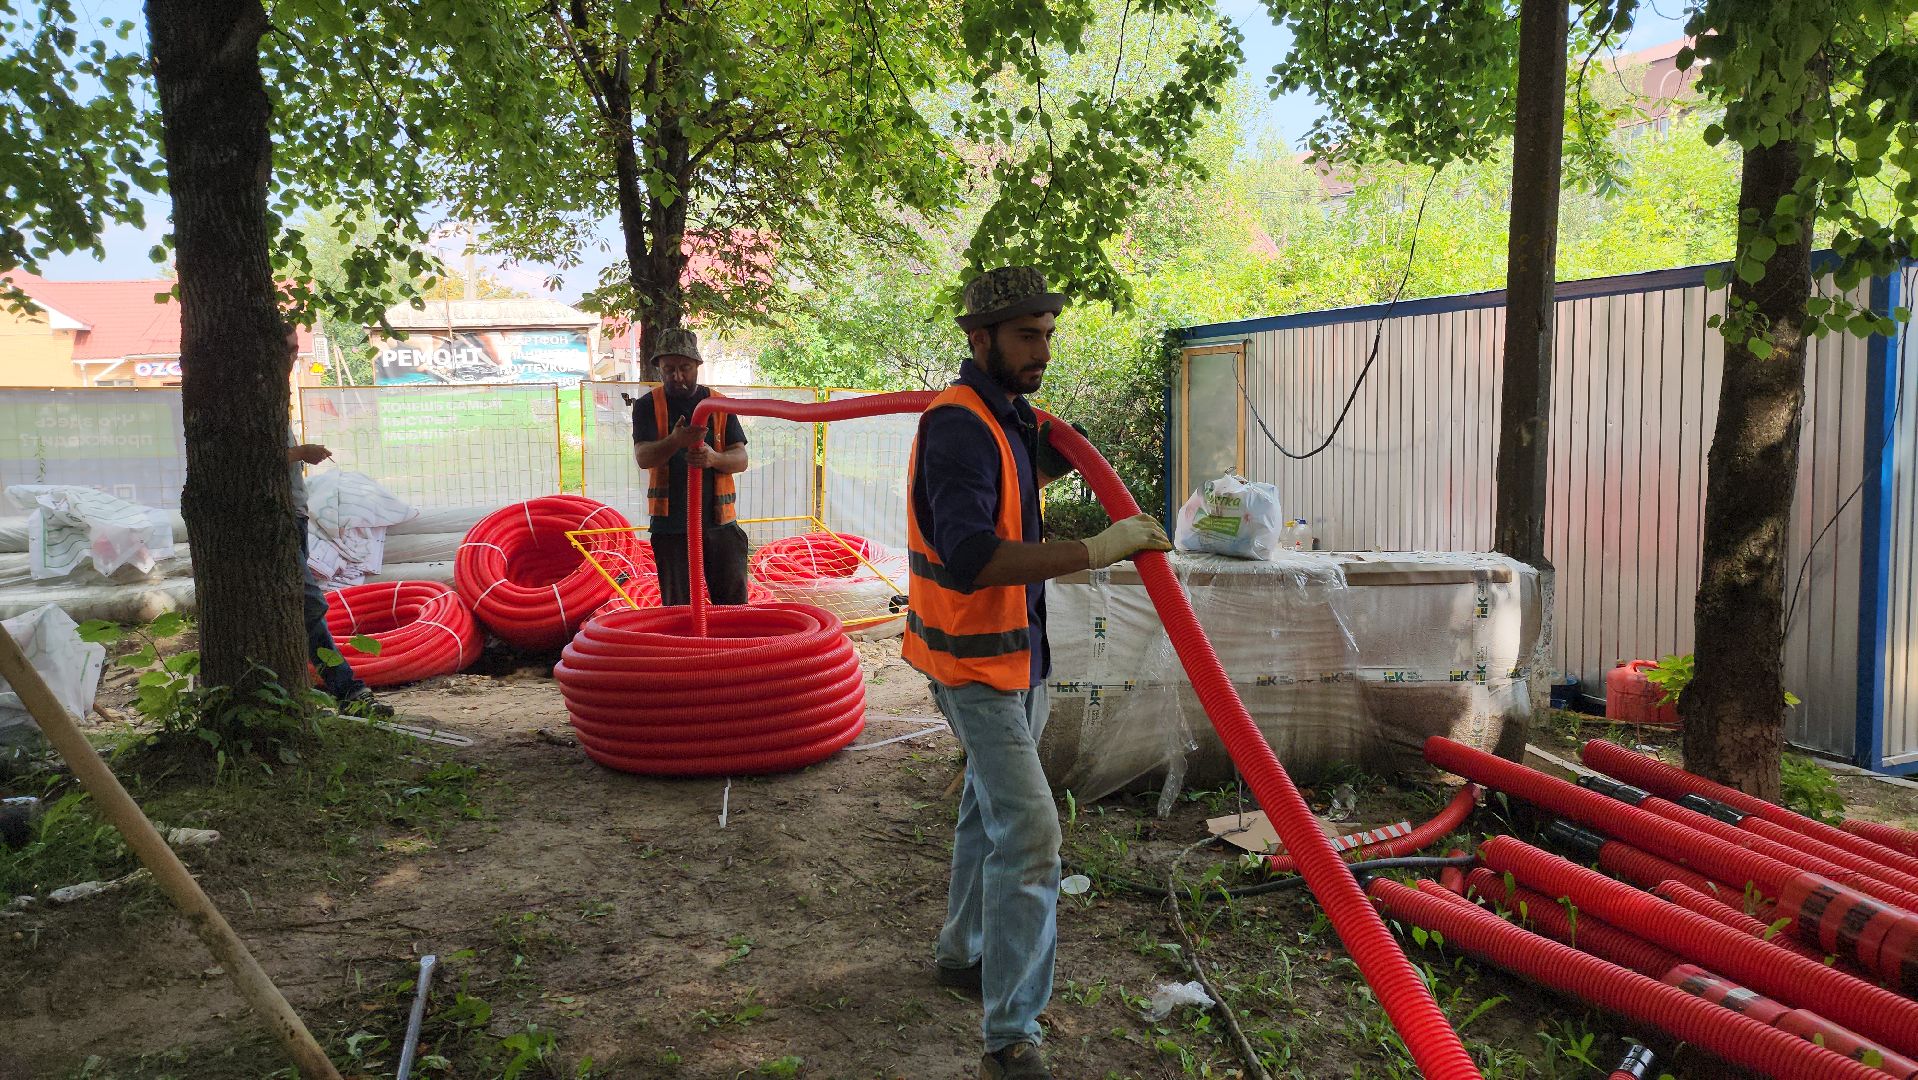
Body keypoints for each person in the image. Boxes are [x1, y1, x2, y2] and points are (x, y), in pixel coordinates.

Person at [909, 267, 1172, 1080]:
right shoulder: (958, 426)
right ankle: (1011, 1035)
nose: (1043, 350)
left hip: (1020, 658)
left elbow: (1011, 491)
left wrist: (1060, 450)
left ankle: (962, 958)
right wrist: (1098, 548)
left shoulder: (1005, 419)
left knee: (985, 819)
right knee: (1031, 835)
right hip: (974, 667)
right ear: (979, 338)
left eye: (1049, 334)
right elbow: (971, 556)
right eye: (1027, 335)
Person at [630, 328, 751, 606]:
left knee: (732, 605)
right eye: (669, 369)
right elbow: (643, 457)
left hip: (720, 524)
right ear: (659, 368)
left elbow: (741, 459)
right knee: (678, 608)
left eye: (684, 368)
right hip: (671, 526)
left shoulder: (719, 403)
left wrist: (713, 459)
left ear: (697, 365)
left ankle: (734, 650)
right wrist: (674, 441)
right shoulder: (648, 405)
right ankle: (687, 650)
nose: (677, 376)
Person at [288, 429, 391, 719]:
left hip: (294, 518)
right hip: (276, 520)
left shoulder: (274, 409)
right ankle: (348, 691)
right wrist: (299, 453)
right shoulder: (250, 406)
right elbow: (249, 460)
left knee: (302, 609)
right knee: (310, 606)